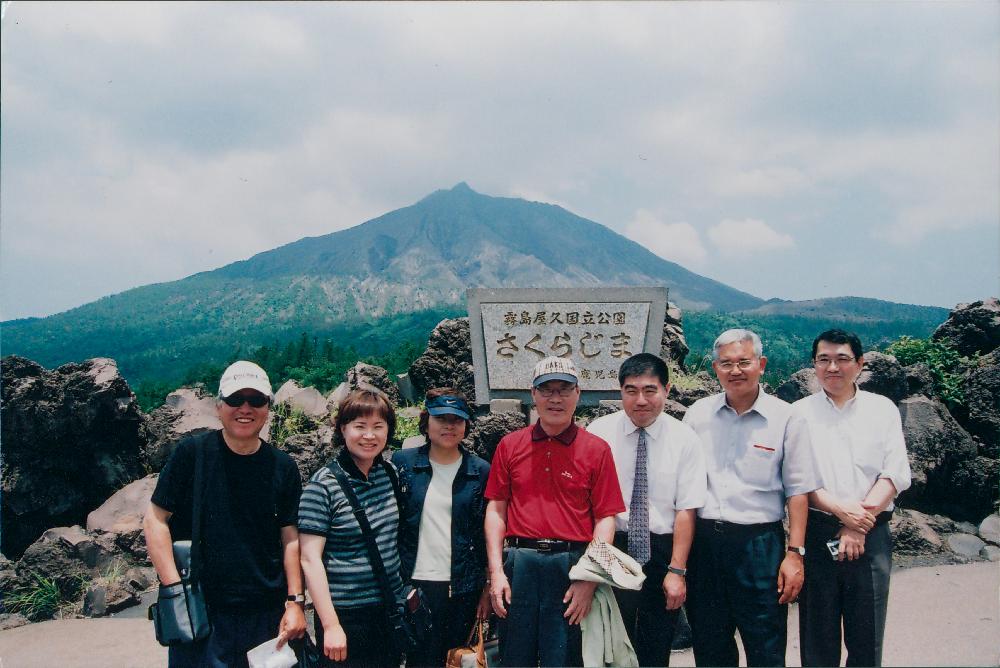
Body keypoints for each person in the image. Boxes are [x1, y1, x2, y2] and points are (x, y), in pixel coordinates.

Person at [143, 360, 306, 668]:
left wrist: (295, 602)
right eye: (235, 399)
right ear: (219, 406)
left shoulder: (282, 467)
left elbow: (290, 538)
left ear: (268, 407)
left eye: (256, 400)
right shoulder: (192, 455)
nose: (245, 408)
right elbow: (155, 519)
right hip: (201, 612)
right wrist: (174, 589)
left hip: (265, 615)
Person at [682, 329, 817, 667]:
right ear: (715, 369)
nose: (735, 370)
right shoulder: (698, 414)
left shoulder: (787, 417)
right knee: (710, 644)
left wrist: (795, 555)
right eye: (726, 363)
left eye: (744, 362)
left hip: (759, 545)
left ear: (762, 364)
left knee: (765, 646)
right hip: (705, 544)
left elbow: (798, 491)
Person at [484, 355, 626, 667]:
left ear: (578, 394)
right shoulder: (510, 445)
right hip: (519, 564)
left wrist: (590, 579)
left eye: (564, 389)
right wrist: (496, 571)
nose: (555, 398)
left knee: (564, 657)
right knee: (514, 655)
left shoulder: (596, 449)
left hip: (572, 564)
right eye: (546, 390)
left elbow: (605, 519)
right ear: (533, 395)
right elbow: (496, 509)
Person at [793, 329, 911, 667]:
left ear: (859, 364)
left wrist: (859, 523)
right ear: (814, 365)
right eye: (824, 360)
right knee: (818, 637)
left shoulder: (882, 409)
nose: (833, 367)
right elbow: (798, 480)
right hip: (818, 532)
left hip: (871, 534)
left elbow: (895, 473)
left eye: (842, 359)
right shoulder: (799, 413)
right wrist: (842, 513)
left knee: (867, 637)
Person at [587, 353, 706, 667]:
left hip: (663, 550)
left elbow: (686, 510)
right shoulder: (599, 433)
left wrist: (677, 571)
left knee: (657, 643)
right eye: (631, 390)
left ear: (666, 390)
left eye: (650, 390)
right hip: (614, 546)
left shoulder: (685, 439)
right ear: (620, 391)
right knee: (611, 642)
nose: (641, 400)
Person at [298, 388, 404, 668]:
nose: (369, 436)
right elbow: (309, 559)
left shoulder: (389, 474)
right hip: (346, 616)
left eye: (378, 427)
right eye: (360, 426)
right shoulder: (323, 487)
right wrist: (330, 625)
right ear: (343, 429)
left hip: (389, 611)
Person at [392, 388, 492, 667]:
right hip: (415, 586)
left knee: (458, 659)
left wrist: (486, 586)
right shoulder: (403, 464)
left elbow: (486, 532)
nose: (449, 426)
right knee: (419, 660)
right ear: (426, 423)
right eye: (441, 419)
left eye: (456, 420)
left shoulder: (480, 470)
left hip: (463, 587)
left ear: (466, 426)